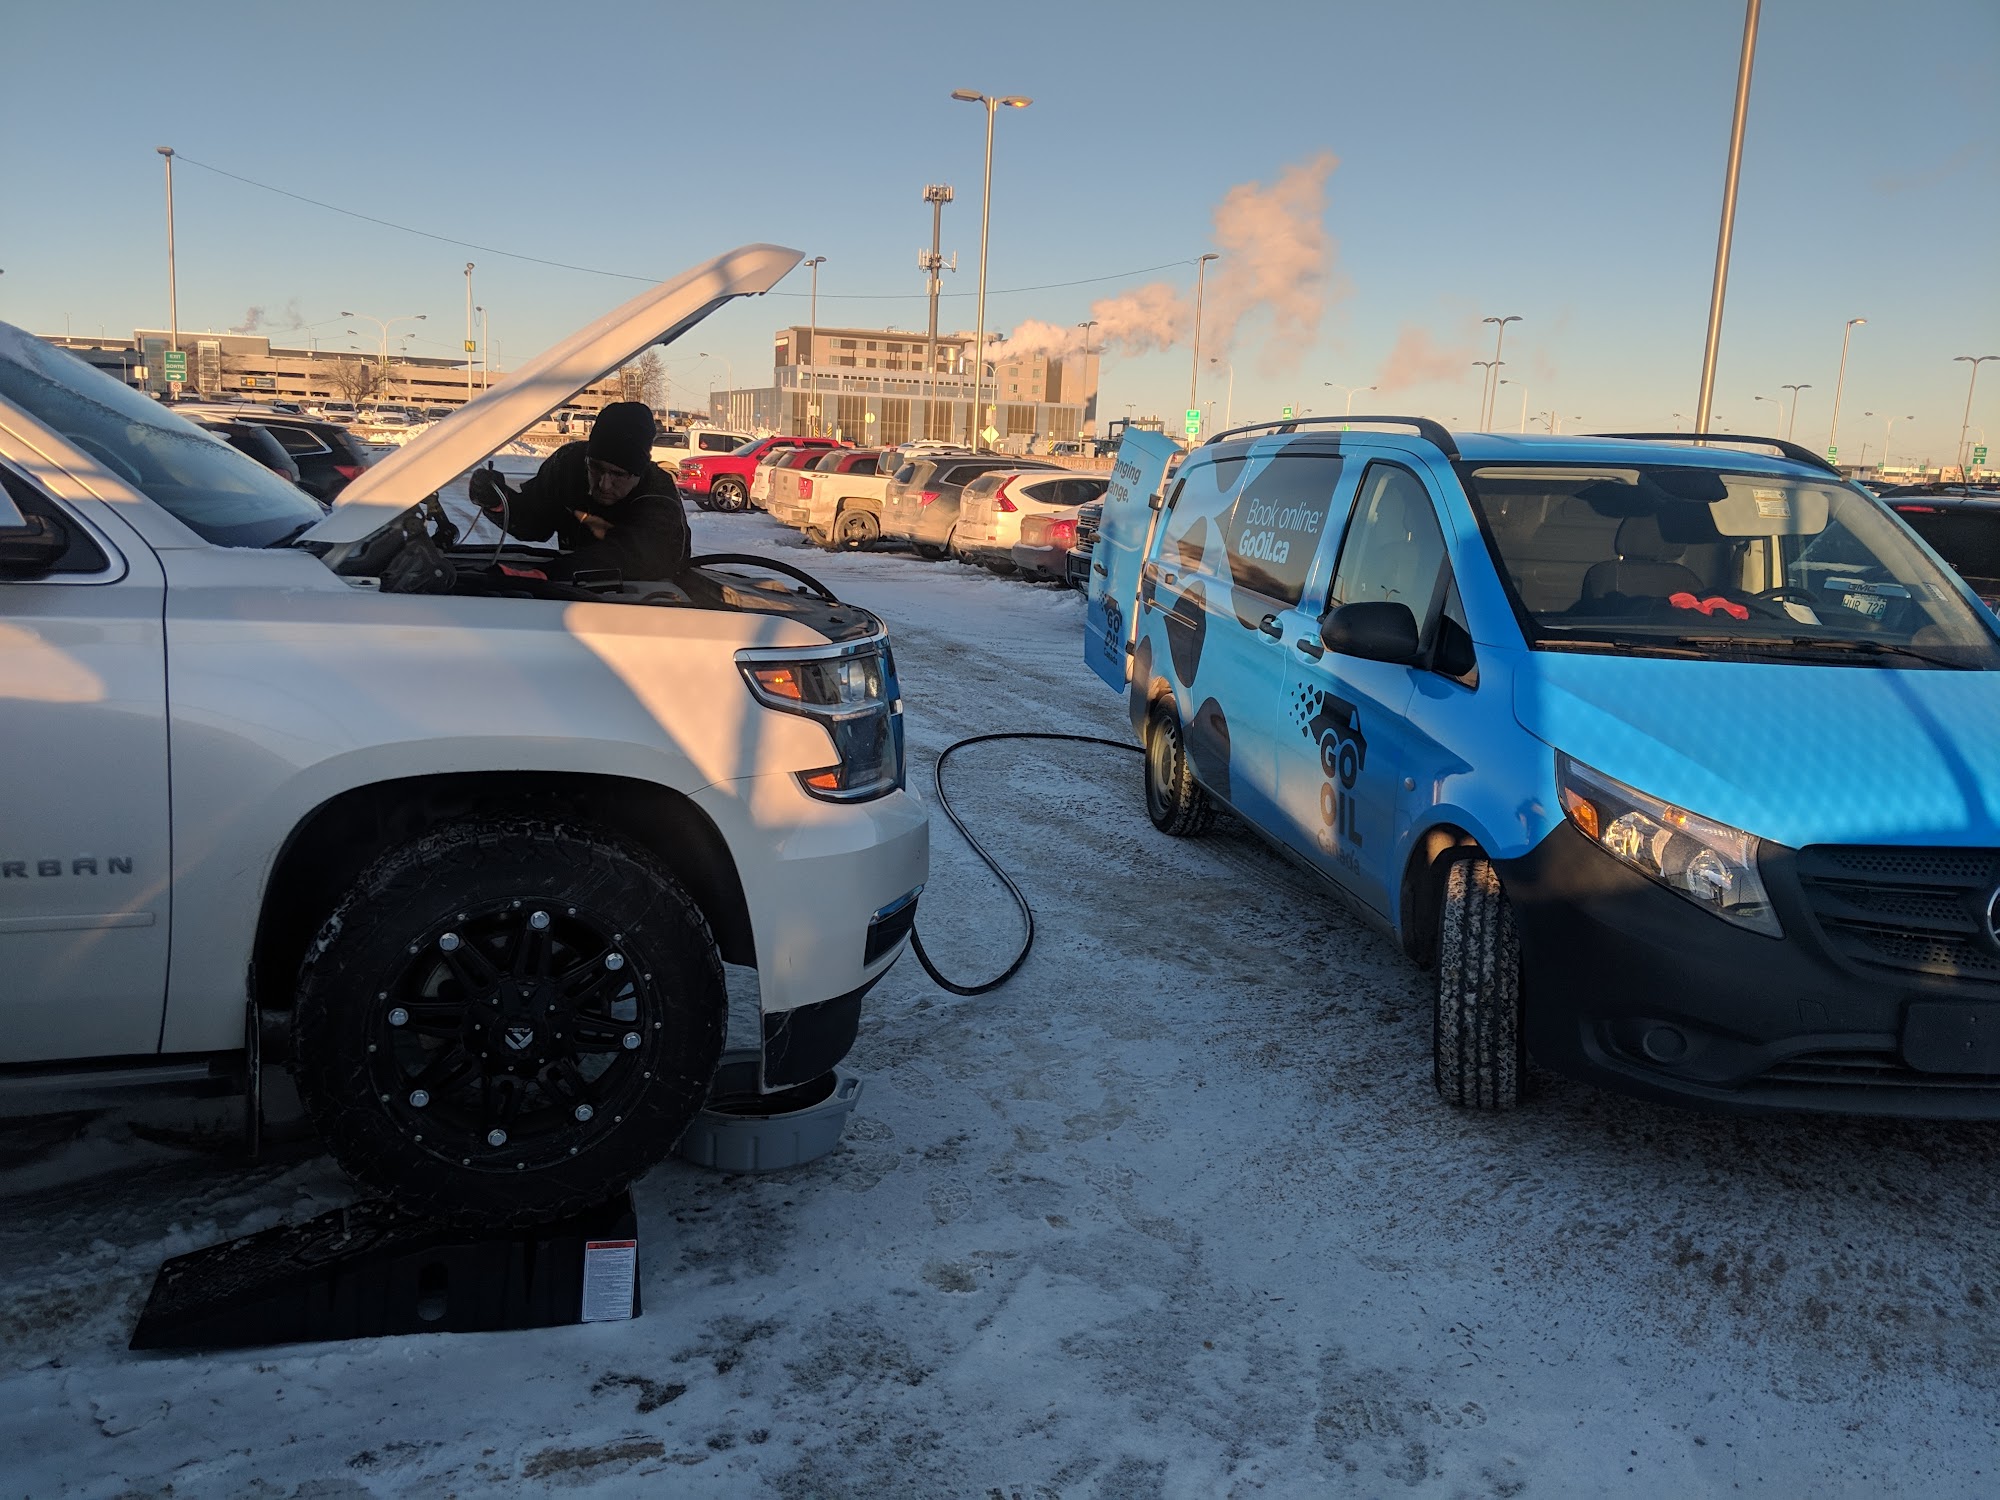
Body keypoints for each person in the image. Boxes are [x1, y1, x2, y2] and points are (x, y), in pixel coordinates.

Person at [469, 400, 689, 581]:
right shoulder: (568, 465)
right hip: (574, 582)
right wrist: (499, 502)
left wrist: (549, 574)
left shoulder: (658, 494)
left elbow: (640, 557)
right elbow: (536, 522)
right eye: (596, 468)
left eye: (618, 474)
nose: (604, 484)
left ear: (639, 472)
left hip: (645, 601)